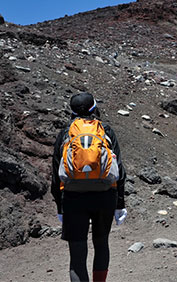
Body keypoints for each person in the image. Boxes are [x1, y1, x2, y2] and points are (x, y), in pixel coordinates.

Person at [51, 92, 127, 282]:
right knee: (101, 244)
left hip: (73, 197)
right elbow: (120, 170)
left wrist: (60, 206)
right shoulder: (105, 130)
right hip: (104, 195)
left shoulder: (66, 132)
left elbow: (55, 173)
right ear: (94, 108)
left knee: (77, 254)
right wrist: (120, 203)